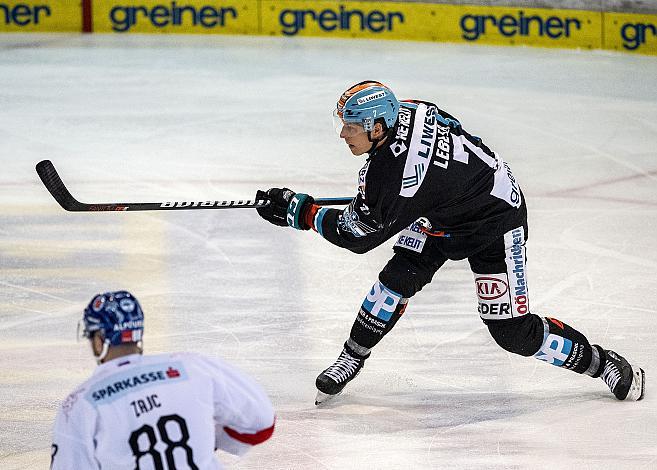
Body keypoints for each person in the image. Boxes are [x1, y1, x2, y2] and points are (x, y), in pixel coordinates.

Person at [256, 80, 645, 406]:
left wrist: (301, 212)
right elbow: (449, 131)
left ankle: (600, 362)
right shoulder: (409, 109)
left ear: (377, 127)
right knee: (395, 280)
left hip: (493, 221)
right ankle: (351, 357)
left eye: (352, 126)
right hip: (439, 211)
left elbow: (357, 236)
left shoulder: (395, 177)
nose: (343, 134)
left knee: (512, 332)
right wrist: (424, 193)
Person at [51, 290, 275, 469]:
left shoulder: (80, 404)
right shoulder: (190, 367)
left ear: (99, 341)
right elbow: (262, 423)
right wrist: (206, 435)